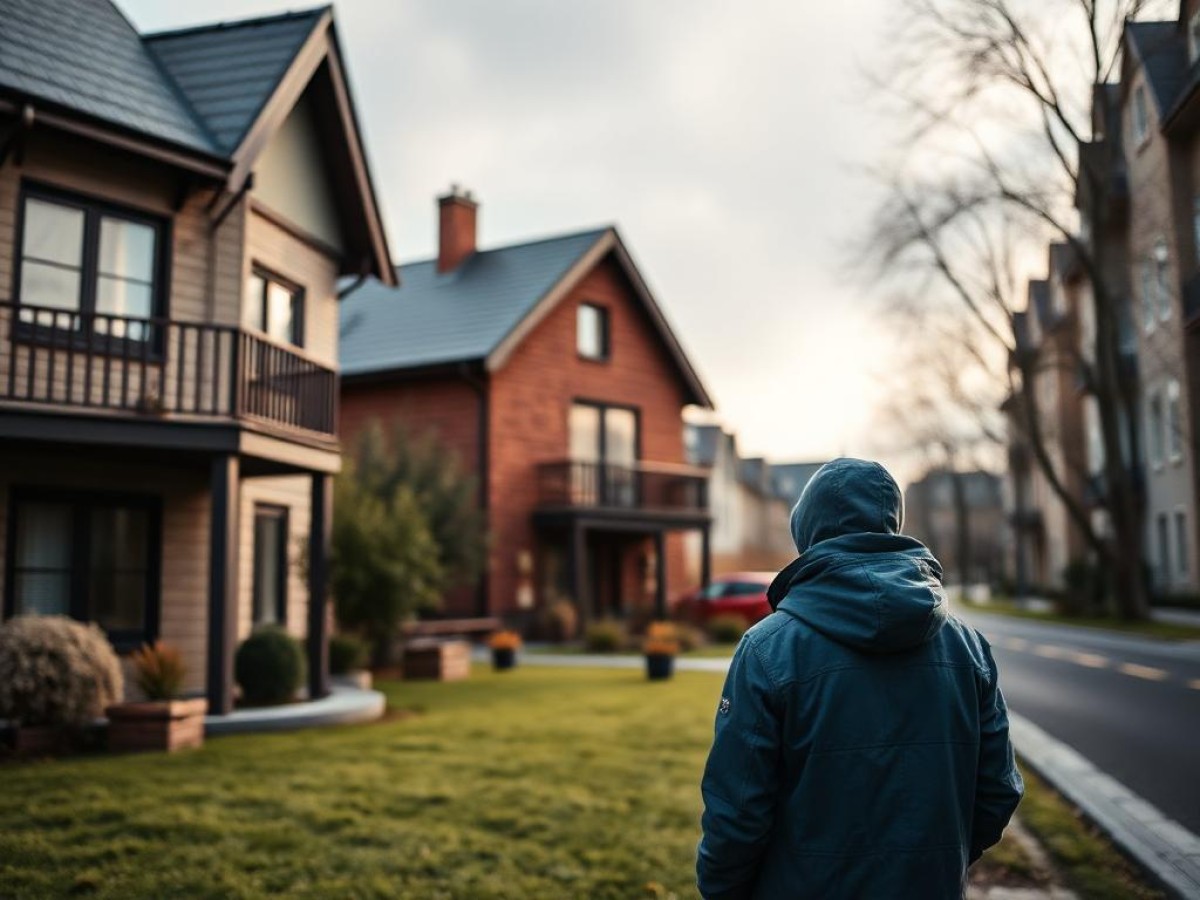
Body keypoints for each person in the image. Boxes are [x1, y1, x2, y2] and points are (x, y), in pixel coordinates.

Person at [696, 458, 1022, 899]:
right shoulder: (968, 647)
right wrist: (937, 861)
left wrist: (721, 890)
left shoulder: (768, 649)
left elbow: (737, 812)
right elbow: (998, 791)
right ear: (890, 525)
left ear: (806, 532)